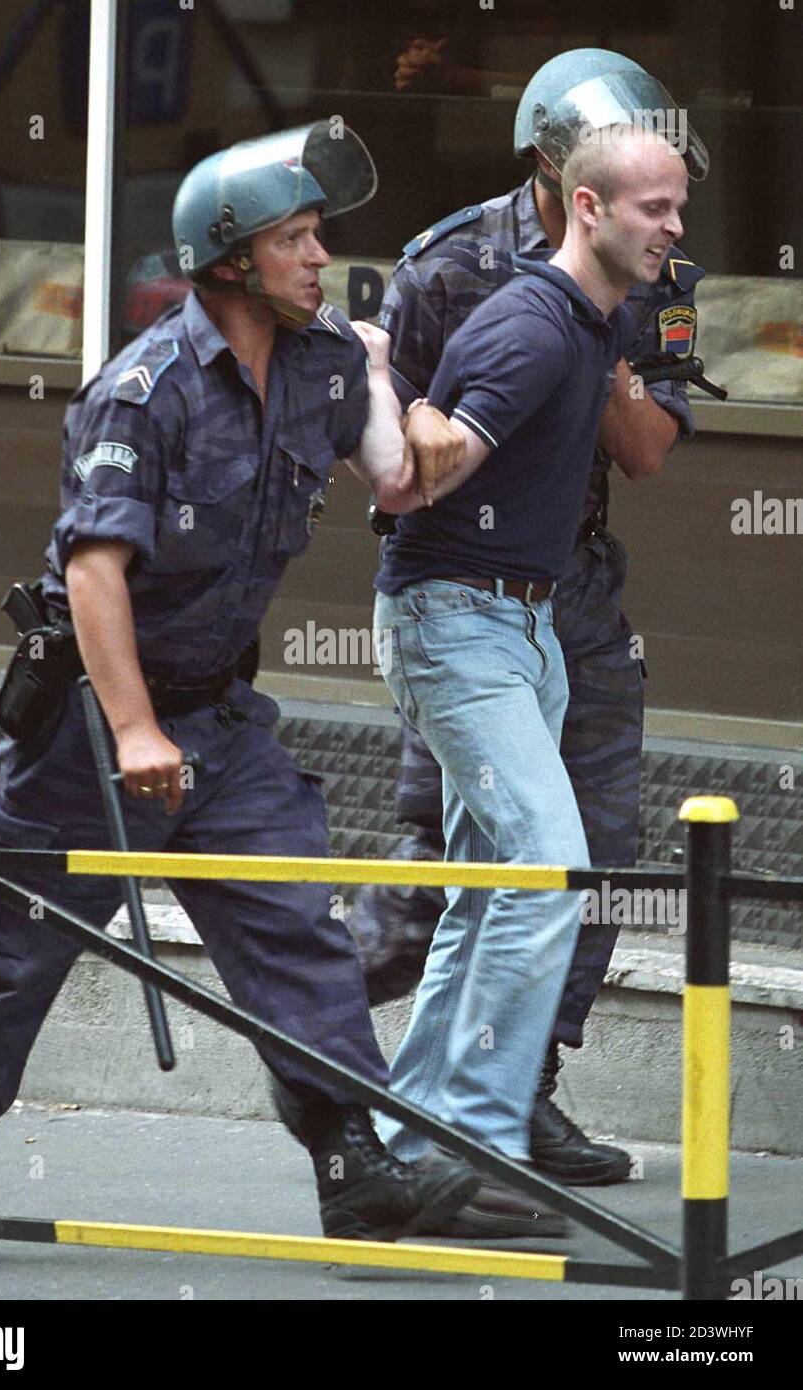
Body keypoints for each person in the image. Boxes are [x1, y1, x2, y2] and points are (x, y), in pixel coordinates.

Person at [0, 121, 484, 1272]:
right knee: (9, 952)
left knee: (293, 927)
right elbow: (93, 568)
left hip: (218, 717)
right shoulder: (142, 392)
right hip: (95, 727)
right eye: (297, 240)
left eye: (320, 237)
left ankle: (352, 1164)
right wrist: (132, 728)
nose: (320, 259)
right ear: (229, 260)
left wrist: (420, 379)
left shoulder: (319, 362)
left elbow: (402, 483)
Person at [346, 49, 710, 1191]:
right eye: (650, 205)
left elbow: (647, 449)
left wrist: (599, 335)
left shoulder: (640, 276)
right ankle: (383, 1101)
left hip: (570, 597)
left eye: (675, 205)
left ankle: (496, 1108)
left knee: (581, 858)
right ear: (560, 178)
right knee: (458, 871)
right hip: (466, 604)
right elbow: (400, 465)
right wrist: (562, 320)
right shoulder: (451, 269)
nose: (671, 226)